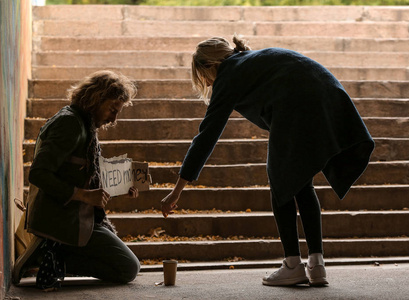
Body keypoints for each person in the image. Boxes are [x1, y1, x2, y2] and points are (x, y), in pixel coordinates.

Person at [161, 35, 375, 287]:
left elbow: (206, 135)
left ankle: (292, 264)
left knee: (281, 180)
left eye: (204, 77)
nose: (208, 83)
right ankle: (317, 265)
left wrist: (177, 190)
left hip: (299, 104)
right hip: (329, 95)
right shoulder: (252, 61)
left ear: (210, 66)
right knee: (300, 180)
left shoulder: (228, 74)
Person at [13, 70, 141, 290]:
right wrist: (82, 195)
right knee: (127, 268)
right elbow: (38, 174)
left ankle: (53, 254)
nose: (113, 119)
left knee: (127, 266)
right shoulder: (69, 124)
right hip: (61, 218)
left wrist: (121, 185)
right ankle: (48, 255)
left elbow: (85, 173)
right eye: (112, 109)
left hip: (78, 216)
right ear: (96, 98)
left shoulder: (82, 123)